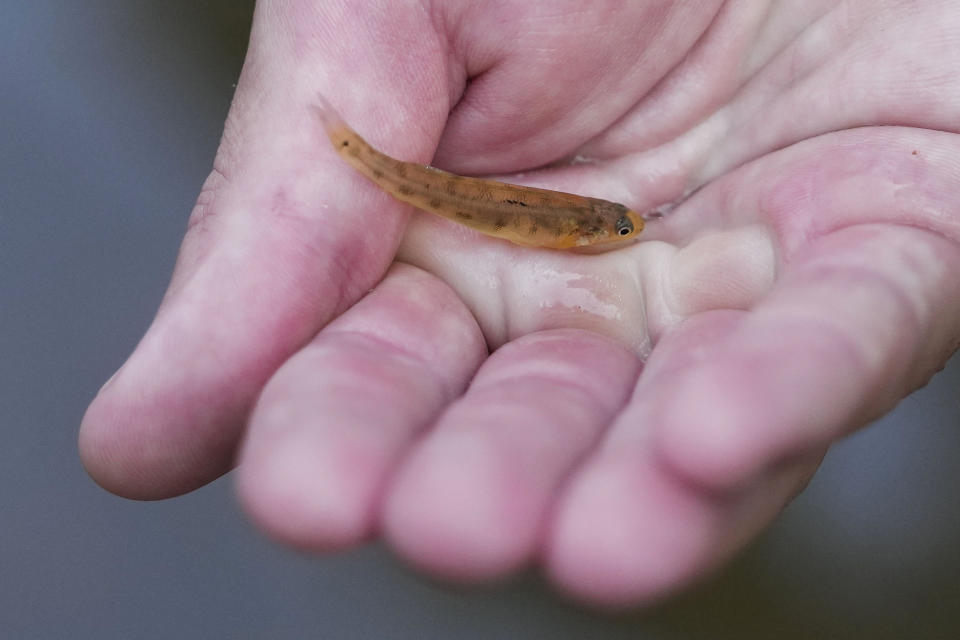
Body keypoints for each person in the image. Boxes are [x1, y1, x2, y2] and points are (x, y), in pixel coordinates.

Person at [78, 1, 960, 607]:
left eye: (621, 229)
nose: (622, 232)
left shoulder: (593, 224)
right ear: (596, 233)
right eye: (618, 230)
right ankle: (353, 150)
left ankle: (358, 152)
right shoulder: (584, 228)